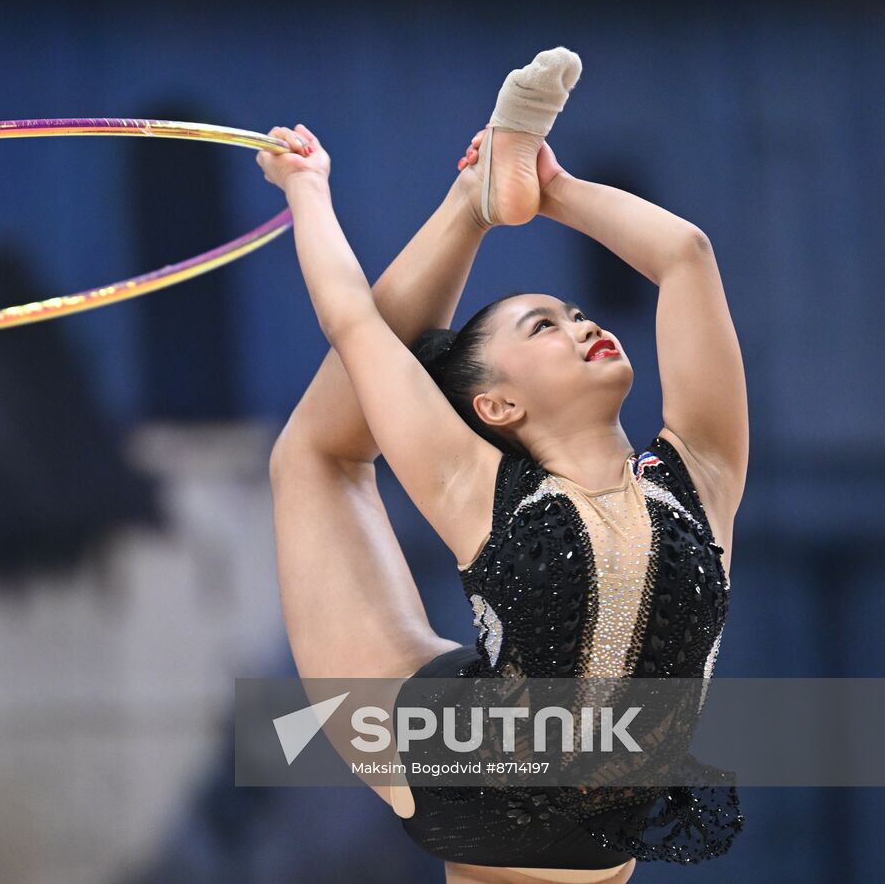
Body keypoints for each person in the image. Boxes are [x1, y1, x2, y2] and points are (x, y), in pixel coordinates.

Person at [260, 48, 747, 883]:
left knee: (322, 455)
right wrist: (308, 189)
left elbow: (687, 256)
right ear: (496, 407)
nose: (582, 322)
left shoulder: (696, 475)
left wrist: (542, 182)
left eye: (575, 311)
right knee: (320, 454)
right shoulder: (491, 486)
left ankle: (477, 200)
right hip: (474, 772)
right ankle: (470, 203)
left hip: (546, 811)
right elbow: (353, 322)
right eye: (544, 326)